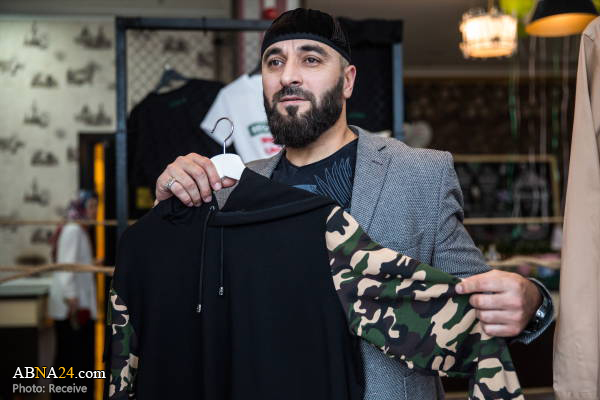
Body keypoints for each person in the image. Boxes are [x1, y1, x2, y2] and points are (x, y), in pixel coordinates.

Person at [151, 8, 553, 399]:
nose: (288, 76)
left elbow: (477, 294)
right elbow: (179, 301)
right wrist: (168, 209)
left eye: (310, 59)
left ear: (347, 81)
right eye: (274, 62)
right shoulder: (230, 189)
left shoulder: (419, 174)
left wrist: (531, 302)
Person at [48, 190, 98, 399]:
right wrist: (72, 300)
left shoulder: (78, 228)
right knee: (71, 359)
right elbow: (66, 267)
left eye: (96, 207)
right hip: (72, 307)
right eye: (91, 206)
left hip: (75, 304)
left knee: (73, 358)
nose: (95, 212)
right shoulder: (73, 230)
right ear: (81, 207)